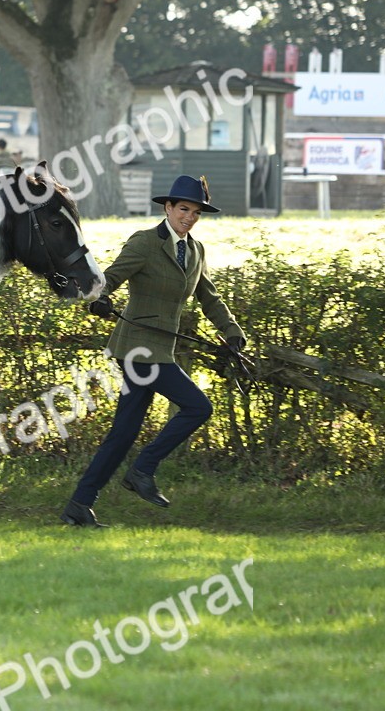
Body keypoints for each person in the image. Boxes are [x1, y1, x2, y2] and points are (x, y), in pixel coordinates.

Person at [61, 174, 246, 527]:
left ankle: (79, 506)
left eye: (195, 212)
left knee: (122, 435)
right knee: (198, 407)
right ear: (168, 208)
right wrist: (100, 298)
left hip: (162, 349)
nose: (189, 217)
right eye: (183, 209)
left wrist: (232, 332)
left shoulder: (195, 250)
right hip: (137, 349)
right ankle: (143, 470)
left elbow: (209, 296)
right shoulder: (145, 243)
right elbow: (112, 276)